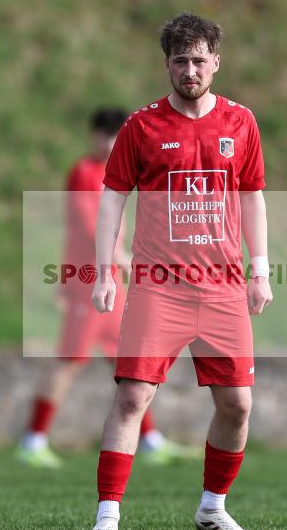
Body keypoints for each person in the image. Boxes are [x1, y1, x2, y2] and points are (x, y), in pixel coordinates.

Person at [89, 13, 273, 530]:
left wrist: (259, 272)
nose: (190, 71)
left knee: (238, 404)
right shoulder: (142, 127)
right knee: (131, 397)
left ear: (216, 61)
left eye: (198, 60)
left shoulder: (241, 122)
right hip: (158, 287)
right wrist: (105, 270)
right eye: (179, 61)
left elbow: (252, 197)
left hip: (222, 287)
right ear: (166, 65)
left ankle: (212, 508)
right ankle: (108, 518)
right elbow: (111, 199)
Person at [17, 108, 198, 468]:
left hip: (109, 281)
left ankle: (149, 440)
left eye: (118, 136)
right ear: (95, 136)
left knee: (128, 363)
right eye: (106, 135)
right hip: (88, 280)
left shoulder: (116, 171)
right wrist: (127, 259)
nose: (112, 143)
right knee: (69, 361)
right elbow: (92, 226)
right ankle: (33, 440)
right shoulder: (84, 173)